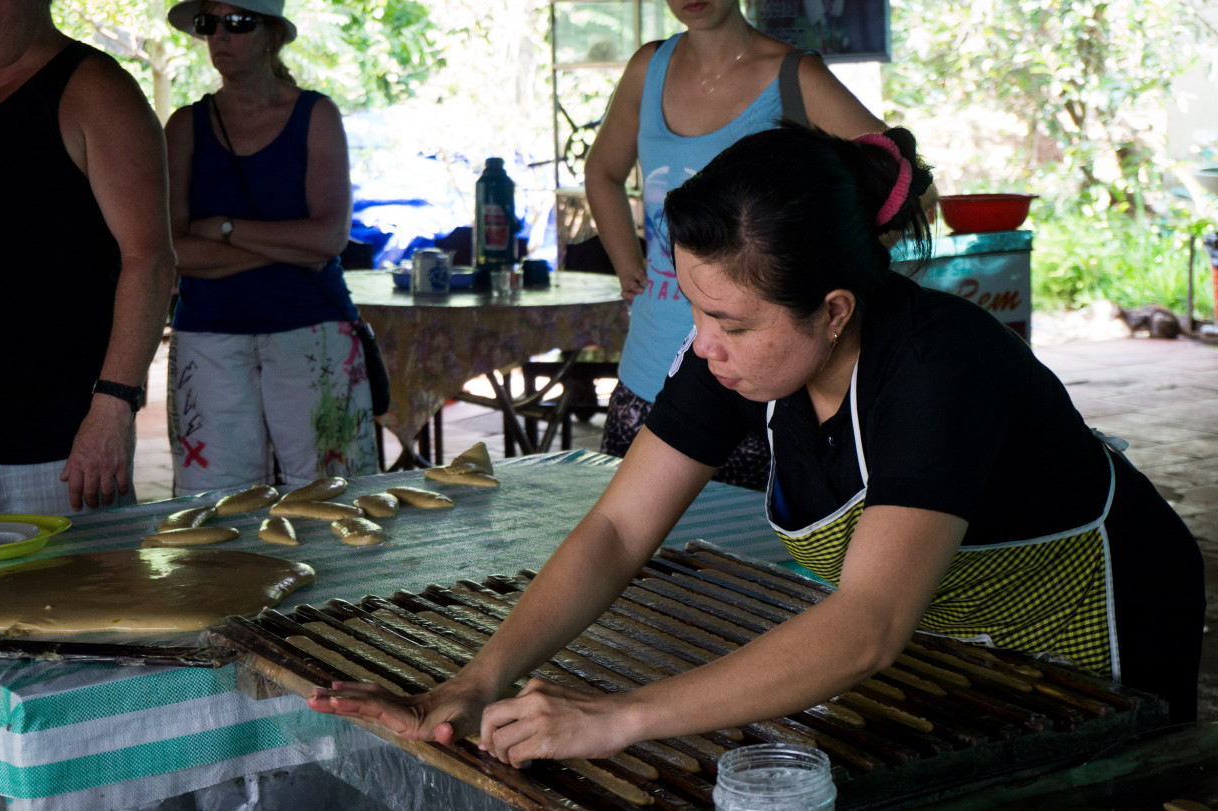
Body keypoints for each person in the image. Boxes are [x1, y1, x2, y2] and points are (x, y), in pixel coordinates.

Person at [308, 124, 1205, 766]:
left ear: (836, 310)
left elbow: (866, 625)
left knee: (1094, 801)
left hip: (1099, 621)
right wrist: (478, 678)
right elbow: (620, 529)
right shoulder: (741, 360)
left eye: (728, 320)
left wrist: (616, 718)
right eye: (696, 310)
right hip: (954, 629)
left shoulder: (941, 368)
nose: (702, 345)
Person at [583, 0, 888, 489]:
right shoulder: (649, 67)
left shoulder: (794, 75)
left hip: (756, 385)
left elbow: (899, 182)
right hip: (650, 362)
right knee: (632, 545)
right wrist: (627, 263)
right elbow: (602, 172)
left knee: (752, 556)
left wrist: (826, 272)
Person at [0, 0, 176, 516]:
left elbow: (150, 260)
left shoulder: (93, 90)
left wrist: (114, 406)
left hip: (58, 444)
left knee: (77, 596)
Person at [164, 0, 379, 494]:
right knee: (216, 502)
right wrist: (291, 245)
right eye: (208, 23)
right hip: (209, 333)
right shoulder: (184, 126)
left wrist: (219, 228)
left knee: (336, 495)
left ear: (272, 36)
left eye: (237, 22)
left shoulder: (315, 115)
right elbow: (172, 250)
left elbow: (329, 238)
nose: (220, 35)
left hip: (310, 327)